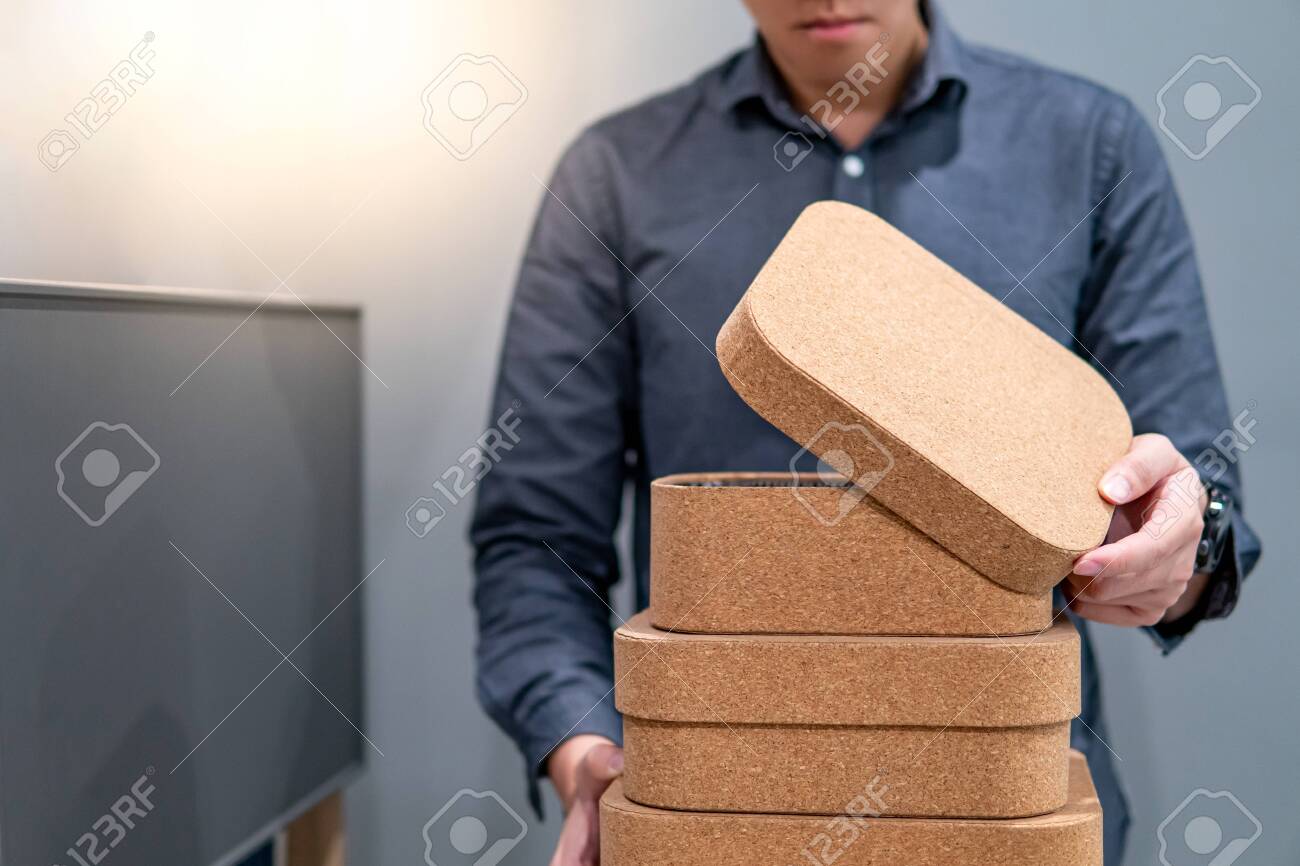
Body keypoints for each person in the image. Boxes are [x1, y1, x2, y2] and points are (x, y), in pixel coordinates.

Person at [470, 2, 1261, 864]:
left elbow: (1195, 497)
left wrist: (1176, 553)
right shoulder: (614, 175)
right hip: (718, 815)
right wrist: (585, 749)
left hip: (1004, 816)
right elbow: (535, 539)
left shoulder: (1090, 143)